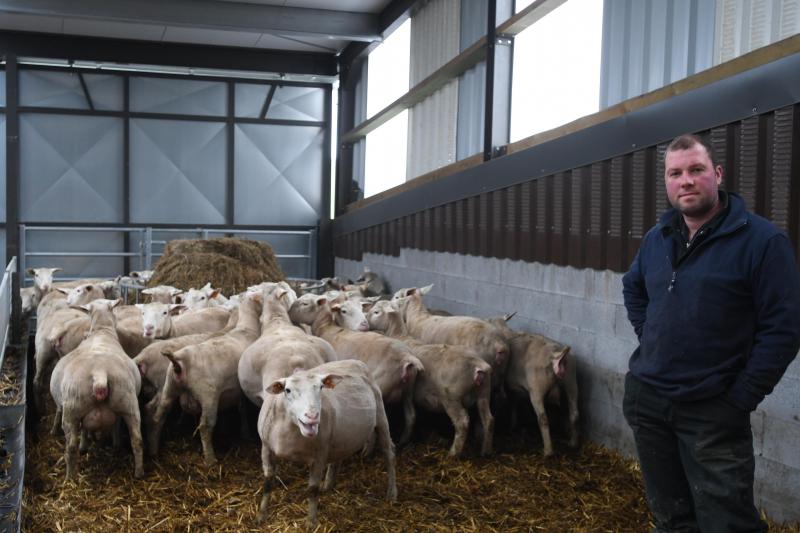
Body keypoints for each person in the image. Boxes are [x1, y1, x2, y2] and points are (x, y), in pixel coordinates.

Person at [621, 133, 800, 532]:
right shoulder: (657, 238)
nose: (685, 180)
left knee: (727, 521)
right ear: (667, 182)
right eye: (675, 173)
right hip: (649, 402)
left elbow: (784, 328)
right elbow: (633, 287)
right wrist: (649, 335)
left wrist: (741, 398)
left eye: (696, 170)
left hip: (712, 408)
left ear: (717, 174)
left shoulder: (763, 241)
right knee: (671, 517)